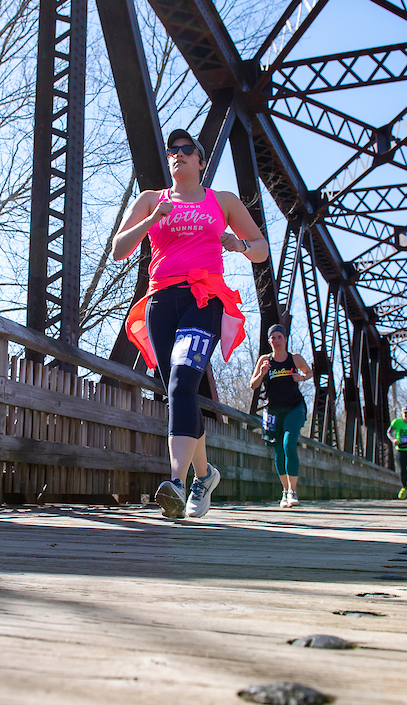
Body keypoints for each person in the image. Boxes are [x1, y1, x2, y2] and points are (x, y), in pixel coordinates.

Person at [114, 128, 269, 519]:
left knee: (183, 380)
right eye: (173, 150)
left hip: (205, 299)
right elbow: (118, 250)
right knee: (178, 393)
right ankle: (205, 474)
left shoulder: (224, 201)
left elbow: (262, 248)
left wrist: (240, 246)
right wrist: (151, 219)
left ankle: (176, 484)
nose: (178, 154)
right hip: (161, 302)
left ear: (201, 160)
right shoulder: (152, 200)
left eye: (188, 149)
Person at [249, 324, 313, 508]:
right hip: (273, 410)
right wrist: (262, 372)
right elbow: (253, 385)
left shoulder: (295, 358)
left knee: (289, 444)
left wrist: (301, 378)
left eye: (279, 337)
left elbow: (309, 372)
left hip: (294, 407)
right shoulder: (264, 360)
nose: (276, 340)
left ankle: (293, 492)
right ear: (269, 341)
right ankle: (285, 492)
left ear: (285, 339)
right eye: (273, 338)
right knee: (278, 450)